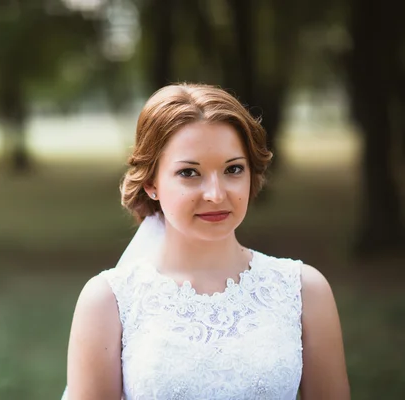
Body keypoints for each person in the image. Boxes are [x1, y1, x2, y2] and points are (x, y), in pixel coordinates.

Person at [62, 83, 350, 399]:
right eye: (189, 173)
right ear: (150, 182)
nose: (215, 194)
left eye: (233, 169)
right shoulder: (109, 302)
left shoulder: (304, 291)